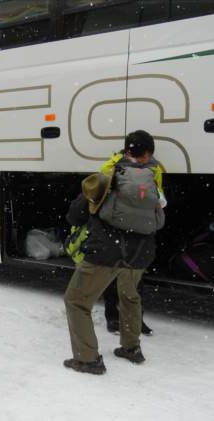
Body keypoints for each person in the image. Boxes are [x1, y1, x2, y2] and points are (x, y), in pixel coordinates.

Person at [62, 130, 161, 374]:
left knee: (76, 300)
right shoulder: (154, 175)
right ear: (149, 152)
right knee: (130, 296)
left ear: (126, 150)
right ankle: (131, 348)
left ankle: (87, 359)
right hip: (141, 250)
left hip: (108, 248)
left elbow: (78, 211)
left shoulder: (111, 170)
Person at [99, 130, 164, 336]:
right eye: (144, 154)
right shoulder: (150, 168)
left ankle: (125, 319)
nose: (145, 158)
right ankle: (117, 317)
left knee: (126, 274)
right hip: (130, 229)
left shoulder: (115, 164)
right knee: (125, 274)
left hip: (125, 228)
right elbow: (159, 199)